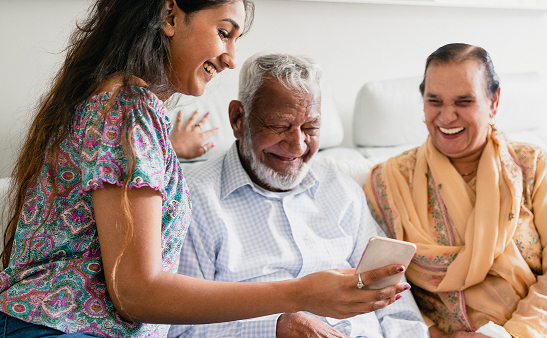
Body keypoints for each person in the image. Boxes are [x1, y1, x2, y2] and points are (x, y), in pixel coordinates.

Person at [0, 0, 403, 337]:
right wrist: (301, 294)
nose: (231, 57)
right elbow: (135, 291)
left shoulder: (129, 109)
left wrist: (168, 151)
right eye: (223, 32)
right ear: (170, 15)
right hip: (61, 327)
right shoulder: (127, 108)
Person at [168, 53, 427, 338]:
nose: (297, 145)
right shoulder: (191, 198)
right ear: (238, 119)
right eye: (280, 126)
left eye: (311, 128)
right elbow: (179, 328)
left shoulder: (343, 191)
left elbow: (397, 308)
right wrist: (275, 328)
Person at [363, 43, 547, 338]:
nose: (447, 116)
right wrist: (433, 335)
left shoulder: (532, 166)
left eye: (463, 101)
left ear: (494, 101)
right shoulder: (389, 181)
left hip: (546, 330)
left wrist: (510, 334)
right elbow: (379, 283)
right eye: (434, 101)